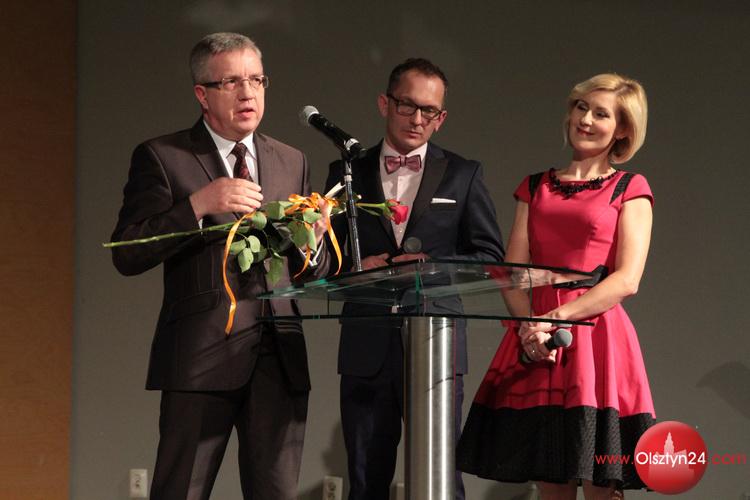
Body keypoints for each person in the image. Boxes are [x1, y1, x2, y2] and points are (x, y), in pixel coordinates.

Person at [110, 32, 329, 500]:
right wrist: (196, 205)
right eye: (231, 82)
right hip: (201, 356)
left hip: (279, 354)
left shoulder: (291, 160)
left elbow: (310, 270)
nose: (248, 93)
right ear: (202, 94)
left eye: (256, 80)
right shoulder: (164, 157)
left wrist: (314, 242)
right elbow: (127, 251)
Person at [457, 73, 656, 499]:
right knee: (551, 480)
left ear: (622, 129)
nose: (586, 119)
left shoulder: (630, 188)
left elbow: (627, 279)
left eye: (601, 114)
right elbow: (512, 272)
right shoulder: (535, 186)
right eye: (581, 108)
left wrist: (555, 318)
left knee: (601, 484)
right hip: (537, 340)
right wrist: (529, 328)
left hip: (595, 337)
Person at [324, 58, 505, 500]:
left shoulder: (463, 173)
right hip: (367, 343)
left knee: (442, 481)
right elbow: (325, 259)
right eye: (407, 106)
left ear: (441, 118)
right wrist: (355, 268)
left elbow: (490, 257)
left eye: (430, 111)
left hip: (436, 344)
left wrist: (432, 265)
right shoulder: (347, 172)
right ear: (384, 103)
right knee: (365, 481)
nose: (417, 119)